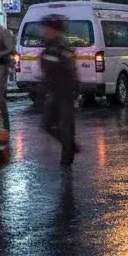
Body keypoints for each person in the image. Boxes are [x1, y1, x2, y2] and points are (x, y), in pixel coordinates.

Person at [39, 14, 78, 167]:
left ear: (54, 30)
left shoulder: (63, 47)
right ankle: (70, 146)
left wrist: (74, 93)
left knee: (65, 127)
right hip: (52, 91)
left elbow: (71, 71)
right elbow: (46, 70)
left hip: (64, 92)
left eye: (46, 28)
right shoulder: (48, 46)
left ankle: (67, 160)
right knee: (47, 125)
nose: (43, 31)